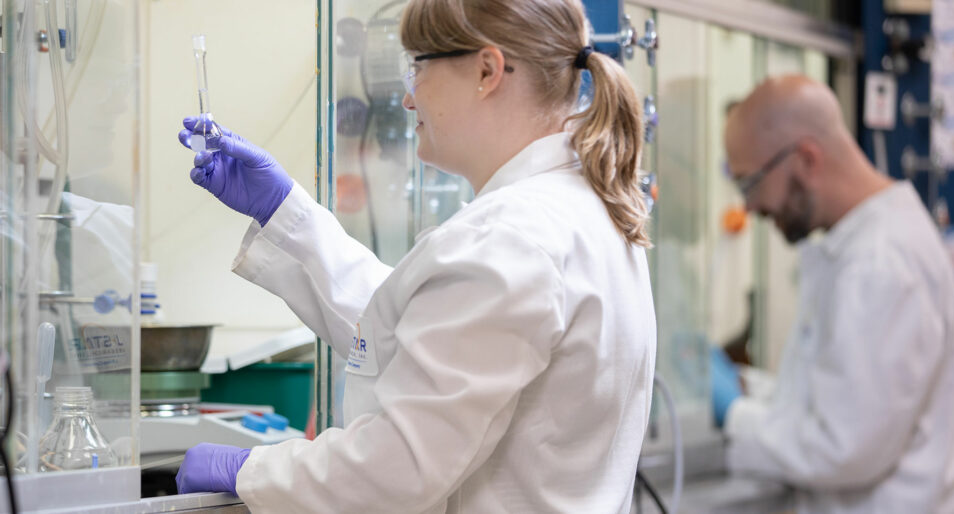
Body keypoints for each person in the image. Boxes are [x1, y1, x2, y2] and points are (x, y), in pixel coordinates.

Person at [174, 0, 657, 512]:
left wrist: (251, 469)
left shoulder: (511, 238)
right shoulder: (579, 213)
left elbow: (399, 467)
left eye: (418, 66)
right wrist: (284, 213)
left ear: (487, 70)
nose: (408, 98)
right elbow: (414, 337)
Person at [712, 74, 954, 513]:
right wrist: (743, 386)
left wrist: (735, 414)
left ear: (807, 158)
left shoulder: (883, 262)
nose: (749, 207)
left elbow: (842, 447)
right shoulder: (857, 246)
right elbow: (832, 394)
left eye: (749, 183)